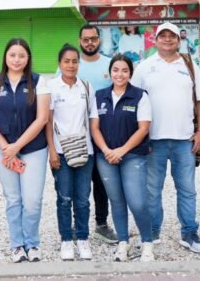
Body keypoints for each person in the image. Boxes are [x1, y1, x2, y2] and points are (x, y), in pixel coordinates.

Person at [132, 21, 200, 254]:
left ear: (179, 40)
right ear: (155, 40)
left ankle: (189, 233)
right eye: (162, 36)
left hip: (184, 140)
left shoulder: (189, 65)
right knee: (152, 190)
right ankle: (152, 232)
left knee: (187, 189)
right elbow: (132, 101)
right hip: (153, 141)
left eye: (172, 36)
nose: (167, 40)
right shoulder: (144, 67)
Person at [0, 38, 50, 263]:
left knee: (32, 200)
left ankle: (32, 243)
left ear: (28, 58)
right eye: (12, 55)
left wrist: (17, 146)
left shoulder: (39, 82)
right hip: (2, 149)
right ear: (5, 57)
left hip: (33, 149)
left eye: (21, 55)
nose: (16, 60)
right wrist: (5, 147)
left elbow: (42, 118)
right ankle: (17, 245)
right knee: (13, 199)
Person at [92, 54, 154, 262]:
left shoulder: (139, 96)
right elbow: (94, 127)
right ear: (110, 72)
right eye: (116, 70)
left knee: (137, 202)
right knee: (116, 202)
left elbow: (143, 128)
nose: (120, 74)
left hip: (133, 156)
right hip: (105, 157)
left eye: (124, 70)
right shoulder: (99, 96)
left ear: (130, 73)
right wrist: (106, 150)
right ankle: (123, 243)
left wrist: (121, 151)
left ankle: (147, 243)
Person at [46, 44, 97, 261]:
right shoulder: (51, 87)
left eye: (74, 61)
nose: (70, 65)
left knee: (83, 199)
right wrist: (51, 151)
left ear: (79, 63)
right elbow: (47, 122)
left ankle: (83, 238)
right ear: (60, 63)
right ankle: (66, 239)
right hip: (61, 151)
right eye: (66, 61)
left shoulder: (86, 86)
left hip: (85, 150)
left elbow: (93, 118)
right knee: (64, 197)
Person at [76, 24, 117, 244]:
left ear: (99, 40)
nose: (89, 42)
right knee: (78, 184)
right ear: (80, 41)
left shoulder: (109, 64)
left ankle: (102, 225)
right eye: (85, 39)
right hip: (76, 137)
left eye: (93, 38)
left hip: (103, 137)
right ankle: (77, 225)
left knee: (102, 184)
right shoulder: (73, 63)